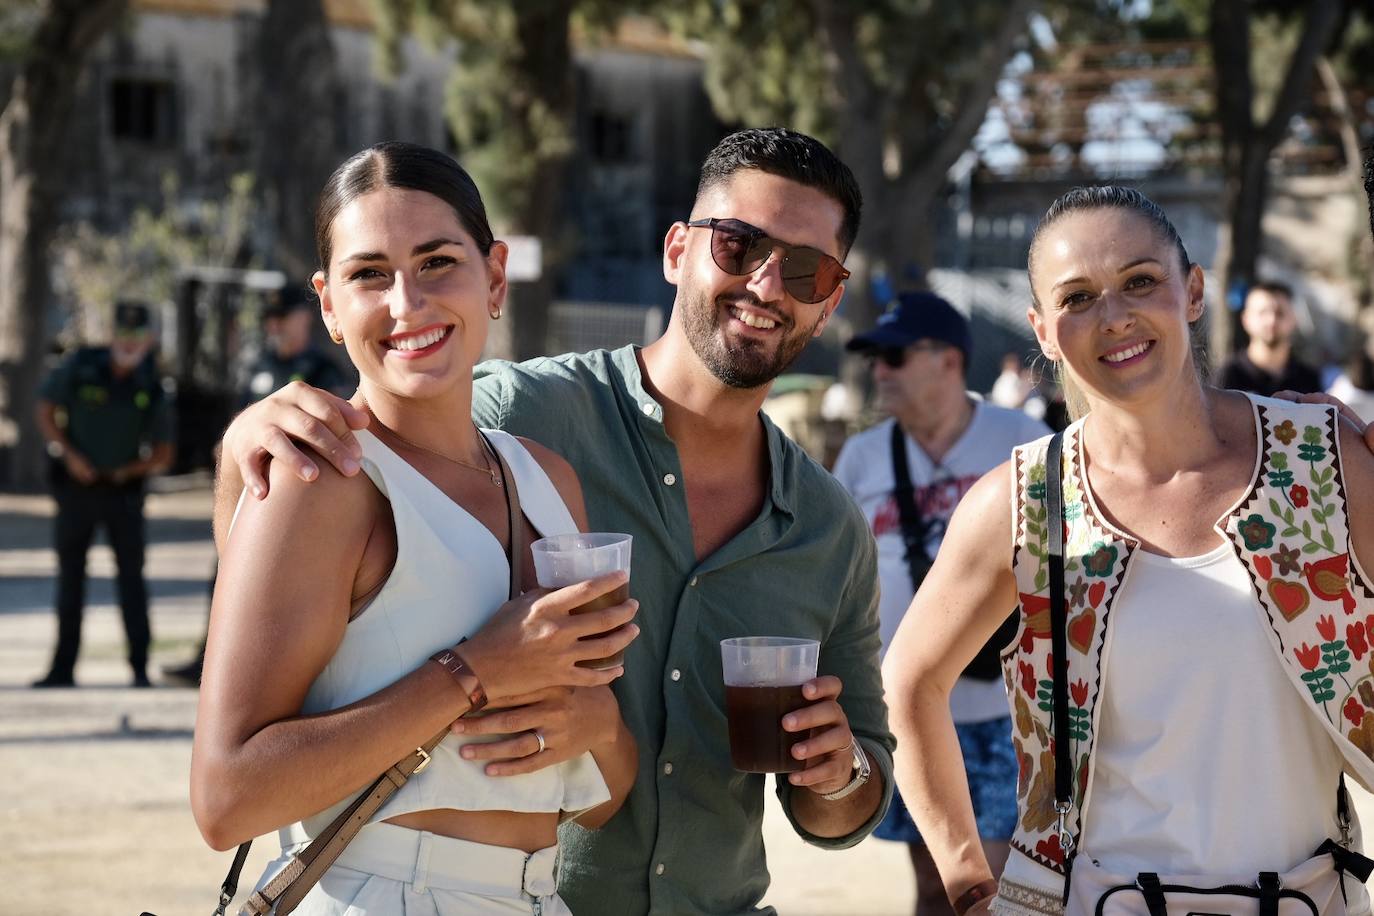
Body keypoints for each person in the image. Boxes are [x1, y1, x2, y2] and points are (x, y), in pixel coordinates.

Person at [214, 127, 895, 915]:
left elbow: (850, 808)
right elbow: (316, 524)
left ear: (830, 300)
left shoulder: (829, 526)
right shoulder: (519, 419)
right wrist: (243, 448)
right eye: (738, 246)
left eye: (806, 269)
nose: (769, 285)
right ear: (678, 251)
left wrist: (837, 769)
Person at [883, 186, 1374, 916]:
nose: (1114, 317)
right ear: (1043, 331)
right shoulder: (1022, 502)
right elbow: (908, 683)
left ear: (1194, 290)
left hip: (1310, 898)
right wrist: (967, 882)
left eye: (1141, 280)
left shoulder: (1319, 460)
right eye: (1077, 298)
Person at [191, 142, 643, 914]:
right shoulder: (320, 480)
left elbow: (590, 803)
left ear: (494, 277)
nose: (408, 303)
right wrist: (472, 672)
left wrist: (599, 727)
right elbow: (226, 798)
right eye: (370, 274)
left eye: (438, 262)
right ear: (329, 305)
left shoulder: (545, 479)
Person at [834, 291, 1048, 916]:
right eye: (876, 358)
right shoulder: (862, 456)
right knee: (935, 887)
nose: (880, 371)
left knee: (1003, 886)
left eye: (895, 356)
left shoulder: (1023, 441)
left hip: (1010, 716)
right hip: (905, 711)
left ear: (950, 361)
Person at [163, 287, 351, 687]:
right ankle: (212, 661)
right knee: (227, 572)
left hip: (302, 492)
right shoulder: (255, 365)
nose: (275, 328)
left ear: (304, 319)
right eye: (270, 321)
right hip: (252, 487)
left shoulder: (323, 370)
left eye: (282, 319)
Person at [32, 301, 174, 688]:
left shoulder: (153, 383)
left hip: (122, 493)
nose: (129, 344)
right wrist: (69, 454)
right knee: (70, 578)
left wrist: (127, 470)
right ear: (112, 335)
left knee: (131, 579)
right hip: (76, 489)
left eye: (138, 337)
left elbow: (164, 452)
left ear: (149, 341)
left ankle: (140, 667)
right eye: (123, 335)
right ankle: (61, 669)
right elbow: (45, 408)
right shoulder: (81, 365)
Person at [1215, 281, 1323, 396]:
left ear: (1293, 320)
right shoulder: (1228, 376)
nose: (1271, 320)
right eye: (1262, 312)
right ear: (1246, 320)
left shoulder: (1309, 379)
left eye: (1280, 313)